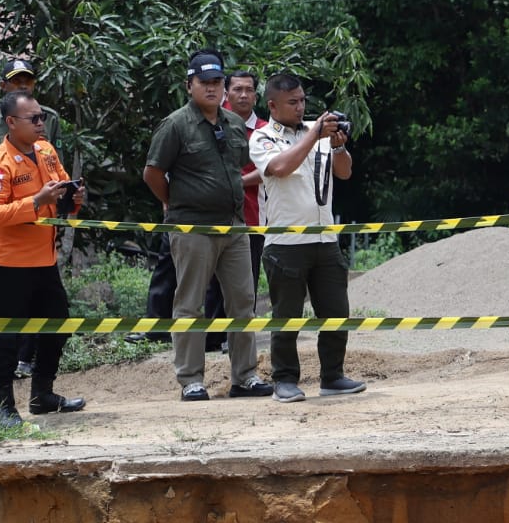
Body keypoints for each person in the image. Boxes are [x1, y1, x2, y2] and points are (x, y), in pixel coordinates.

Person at [143, 50, 273, 402]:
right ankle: (191, 380)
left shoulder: (232, 124)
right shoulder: (175, 125)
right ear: (190, 85)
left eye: (217, 82)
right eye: (205, 82)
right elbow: (152, 172)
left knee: (243, 301)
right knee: (190, 304)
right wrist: (175, 203)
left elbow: (240, 167)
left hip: (234, 227)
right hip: (192, 228)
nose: (212, 88)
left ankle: (244, 376)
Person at [249, 72, 367, 403]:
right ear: (272, 105)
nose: (301, 108)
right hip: (285, 244)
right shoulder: (262, 138)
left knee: (336, 311)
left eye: (303, 101)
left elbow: (344, 172)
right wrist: (315, 134)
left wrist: (339, 146)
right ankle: (284, 380)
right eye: (292, 102)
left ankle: (333, 375)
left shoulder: (318, 131)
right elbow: (282, 168)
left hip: (325, 238)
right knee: (286, 317)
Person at [0, 91, 86, 427]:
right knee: (4, 339)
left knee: (57, 327)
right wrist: (35, 202)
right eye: (34, 119)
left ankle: (43, 395)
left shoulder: (46, 151)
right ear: (11, 123)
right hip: (8, 266)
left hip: (45, 263)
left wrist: (75, 197)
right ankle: (4, 407)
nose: (42, 124)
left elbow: (62, 198)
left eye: (42, 117)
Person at [0, 57, 61, 379]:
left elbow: (55, 171)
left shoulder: (46, 125)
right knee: (4, 314)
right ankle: (2, 385)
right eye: (17, 80)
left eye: (29, 80)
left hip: (42, 247)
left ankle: (36, 378)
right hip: (9, 245)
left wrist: (66, 201)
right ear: (3, 85)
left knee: (51, 316)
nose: (24, 84)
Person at [227, 70, 269, 294]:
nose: (243, 95)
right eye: (237, 89)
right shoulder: (211, 124)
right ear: (227, 93)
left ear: (256, 96)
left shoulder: (266, 130)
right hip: (212, 218)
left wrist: (236, 182)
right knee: (212, 289)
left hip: (252, 219)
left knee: (246, 285)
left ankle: (244, 330)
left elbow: (271, 170)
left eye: (249, 90)